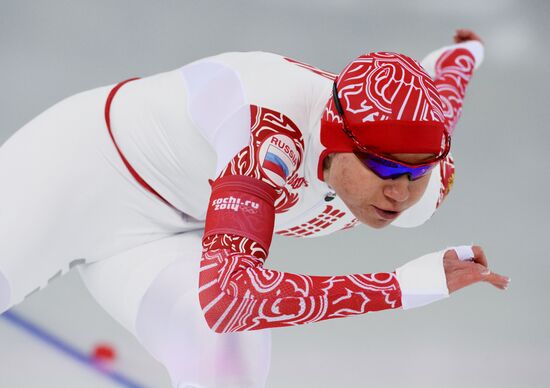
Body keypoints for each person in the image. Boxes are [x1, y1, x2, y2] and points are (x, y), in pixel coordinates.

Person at [0, 29, 509, 387]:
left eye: (417, 172)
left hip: (165, 240)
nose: (400, 192)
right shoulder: (268, 131)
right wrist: (404, 285)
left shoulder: (423, 175)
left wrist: (460, 56)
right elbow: (230, 297)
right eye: (383, 169)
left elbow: (443, 99)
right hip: (78, 169)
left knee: (230, 366)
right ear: (334, 144)